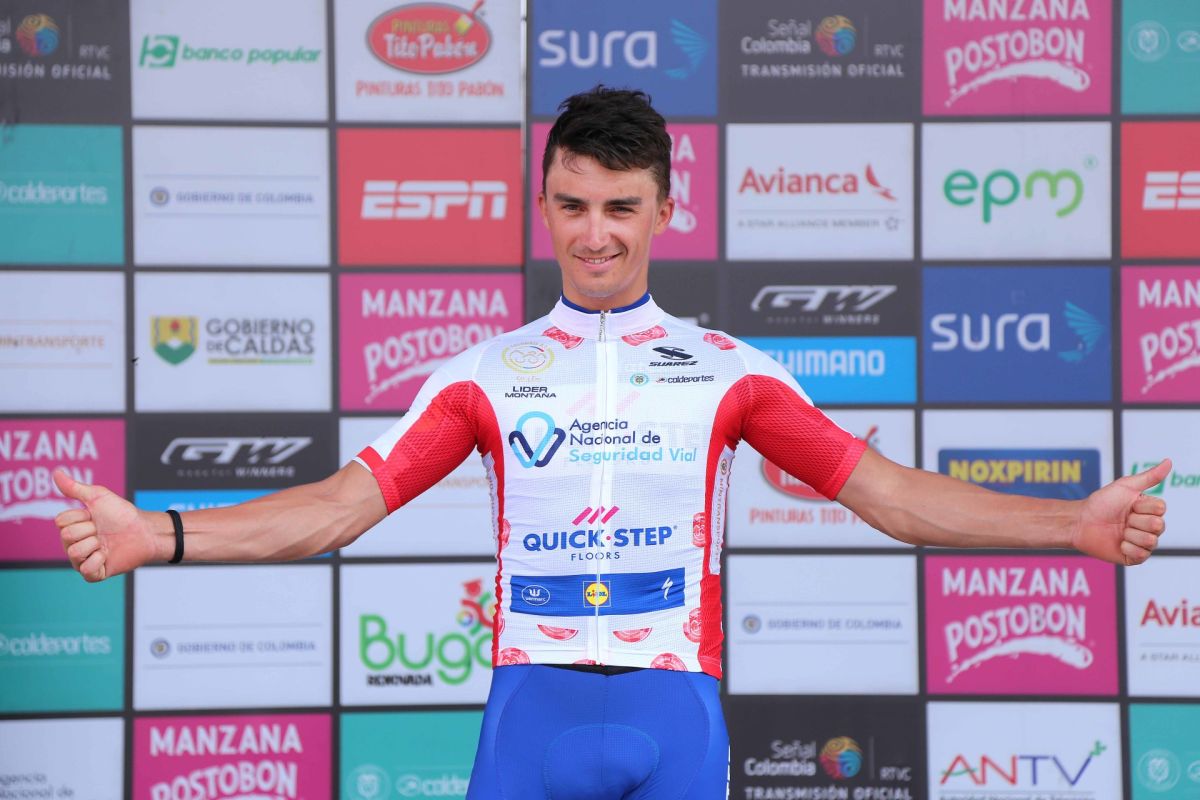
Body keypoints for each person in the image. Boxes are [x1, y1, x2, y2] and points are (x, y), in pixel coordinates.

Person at [53, 87, 1169, 799]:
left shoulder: (730, 371)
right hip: (528, 715)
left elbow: (886, 492)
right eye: (574, 204)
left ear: (665, 209)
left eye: (621, 206)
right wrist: (158, 532)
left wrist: (1073, 521)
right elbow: (337, 508)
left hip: (672, 713)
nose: (596, 234)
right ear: (543, 205)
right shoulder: (482, 375)